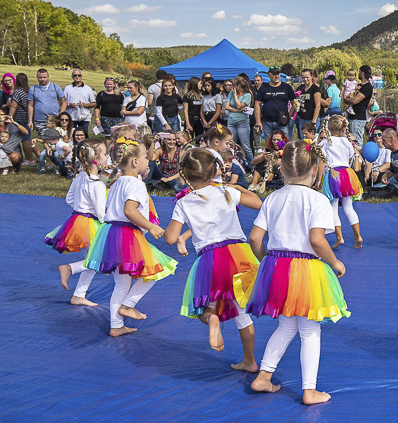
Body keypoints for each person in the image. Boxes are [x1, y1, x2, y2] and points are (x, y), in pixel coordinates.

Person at [246, 140, 349, 406]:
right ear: (315, 170)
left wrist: (266, 262)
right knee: (310, 330)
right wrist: (335, 263)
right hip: (305, 268)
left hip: (277, 266)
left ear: (281, 170)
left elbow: (255, 238)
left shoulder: (272, 199)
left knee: (286, 325)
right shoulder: (318, 200)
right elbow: (317, 240)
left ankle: (264, 376)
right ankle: (309, 390)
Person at [164, 147, 262, 366]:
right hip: (239, 255)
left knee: (203, 310)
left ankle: (212, 319)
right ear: (214, 170)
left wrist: (176, 230)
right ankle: (250, 361)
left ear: (186, 174)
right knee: (241, 313)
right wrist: (237, 188)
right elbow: (257, 203)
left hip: (211, 260)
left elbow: (170, 238)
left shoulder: (183, 203)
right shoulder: (226, 192)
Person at [83, 138, 178, 337]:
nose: (148, 161)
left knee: (121, 283)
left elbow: (114, 209)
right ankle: (128, 304)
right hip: (127, 235)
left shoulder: (117, 182)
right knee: (158, 270)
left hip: (110, 234)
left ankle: (116, 324)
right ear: (135, 162)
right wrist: (151, 227)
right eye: (145, 157)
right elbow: (129, 211)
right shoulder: (135, 184)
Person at [49, 139, 108, 306]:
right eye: (104, 154)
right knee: (98, 261)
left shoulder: (80, 176)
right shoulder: (97, 183)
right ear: (95, 158)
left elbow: (69, 199)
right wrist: (107, 225)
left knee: (92, 260)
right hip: (91, 224)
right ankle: (69, 268)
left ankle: (78, 295)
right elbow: (100, 213)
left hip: (76, 220)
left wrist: (80, 208)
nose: (107, 157)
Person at [319, 115, 363, 249]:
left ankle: (339, 237)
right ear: (344, 129)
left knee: (333, 207)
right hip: (347, 174)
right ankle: (358, 236)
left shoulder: (325, 142)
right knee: (348, 207)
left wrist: (319, 178)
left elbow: (321, 159)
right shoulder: (347, 142)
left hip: (333, 174)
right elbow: (351, 156)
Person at [254, 66, 295, 141]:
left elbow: (294, 103)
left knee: (284, 143)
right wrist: (258, 121)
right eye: (274, 74)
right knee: (269, 144)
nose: (276, 76)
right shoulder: (263, 88)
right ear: (269, 75)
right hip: (267, 122)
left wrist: (289, 116)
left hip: (282, 122)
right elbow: (257, 104)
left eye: (278, 74)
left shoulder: (287, 87)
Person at [27, 68, 66, 137]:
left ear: (48, 77)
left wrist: (60, 115)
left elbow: (64, 102)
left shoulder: (55, 87)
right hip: (40, 120)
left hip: (54, 120)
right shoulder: (33, 89)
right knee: (44, 140)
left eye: (44, 77)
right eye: (40, 77)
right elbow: (30, 105)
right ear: (37, 78)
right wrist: (30, 121)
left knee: (56, 139)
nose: (42, 79)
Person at [224, 76, 254, 165]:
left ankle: (251, 166)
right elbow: (226, 106)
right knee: (231, 145)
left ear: (239, 86)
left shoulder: (247, 95)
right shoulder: (230, 94)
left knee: (246, 146)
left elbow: (239, 105)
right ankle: (232, 164)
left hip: (242, 123)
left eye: (233, 85)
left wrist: (235, 96)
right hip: (231, 122)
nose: (232, 87)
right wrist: (238, 111)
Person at [342, 65, 373, 147]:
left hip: (358, 118)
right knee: (349, 141)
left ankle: (359, 158)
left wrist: (345, 99)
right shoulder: (358, 86)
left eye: (359, 72)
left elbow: (355, 100)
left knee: (357, 142)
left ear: (362, 73)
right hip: (351, 117)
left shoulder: (367, 87)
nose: (358, 74)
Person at [8, 73, 36, 165]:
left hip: (20, 118)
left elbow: (14, 106)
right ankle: (36, 156)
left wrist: (10, 117)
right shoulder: (28, 90)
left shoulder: (18, 91)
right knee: (28, 137)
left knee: (25, 139)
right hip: (28, 118)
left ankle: (29, 160)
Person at [63, 68, 96, 135]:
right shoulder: (67, 88)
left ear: (81, 76)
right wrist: (69, 104)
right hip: (71, 116)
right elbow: (63, 103)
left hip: (84, 117)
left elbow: (94, 103)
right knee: (71, 135)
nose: (77, 77)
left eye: (79, 75)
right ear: (72, 76)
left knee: (84, 136)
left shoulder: (88, 88)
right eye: (75, 75)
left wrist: (85, 105)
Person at [95, 78, 125, 145]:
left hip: (118, 118)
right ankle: (108, 152)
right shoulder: (101, 94)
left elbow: (123, 105)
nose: (109, 86)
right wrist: (97, 119)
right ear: (105, 85)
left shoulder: (119, 94)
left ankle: (116, 150)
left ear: (114, 85)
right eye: (107, 84)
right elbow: (97, 108)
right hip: (106, 118)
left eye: (110, 84)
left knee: (118, 135)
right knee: (108, 136)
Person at [296, 69, 323, 133]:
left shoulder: (315, 88)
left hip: (311, 119)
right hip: (302, 118)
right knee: (303, 140)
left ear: (311, 77)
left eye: (307, 77)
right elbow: (298, 104)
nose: (305, 79)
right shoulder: (302, 88)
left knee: (310, 140)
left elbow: (318, 105)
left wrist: (313, 122)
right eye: (303, 77)